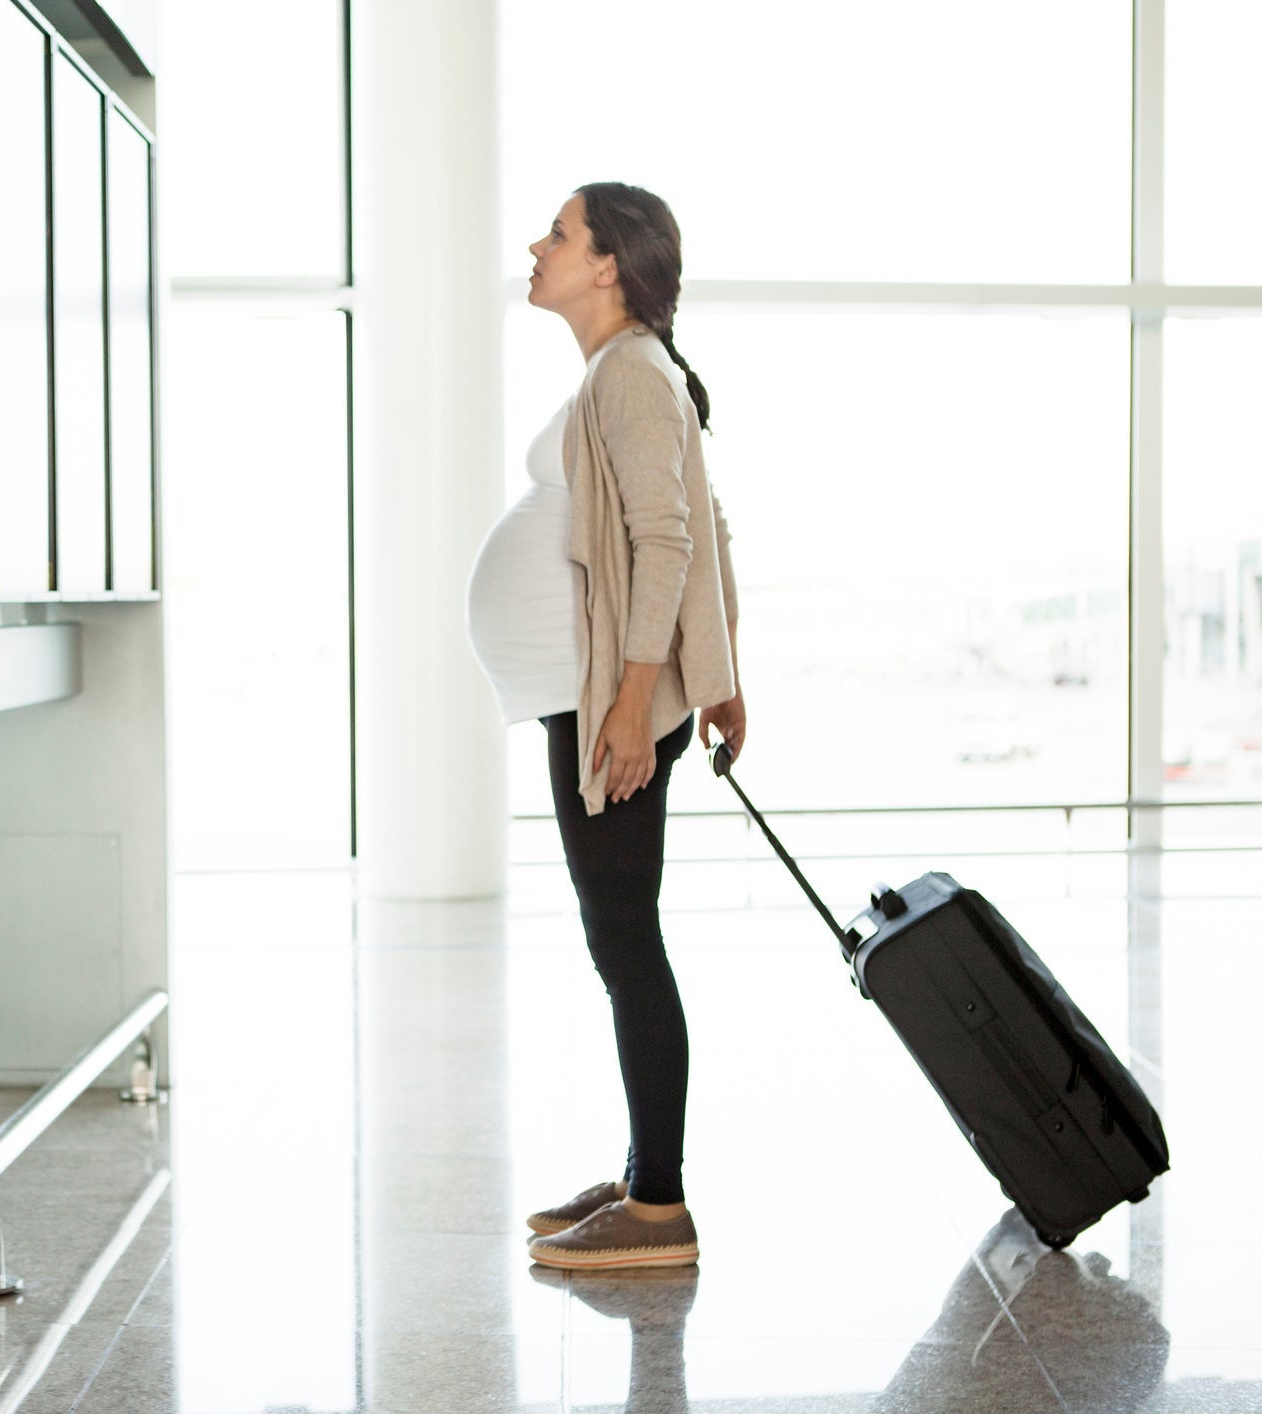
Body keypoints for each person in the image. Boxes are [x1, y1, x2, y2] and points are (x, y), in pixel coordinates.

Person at [465, 181, 744, 1271]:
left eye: (558, 233)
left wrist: (636, 704)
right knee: (617, 937)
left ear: (607, 266)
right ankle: (640, 1173)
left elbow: (670, 540)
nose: (535, 246)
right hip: (593, 695)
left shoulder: (628, 372)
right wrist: (720, 679)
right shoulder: (620, 373)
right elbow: (704, 518)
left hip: (607, 703)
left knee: (624, 941)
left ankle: (658, 1206)